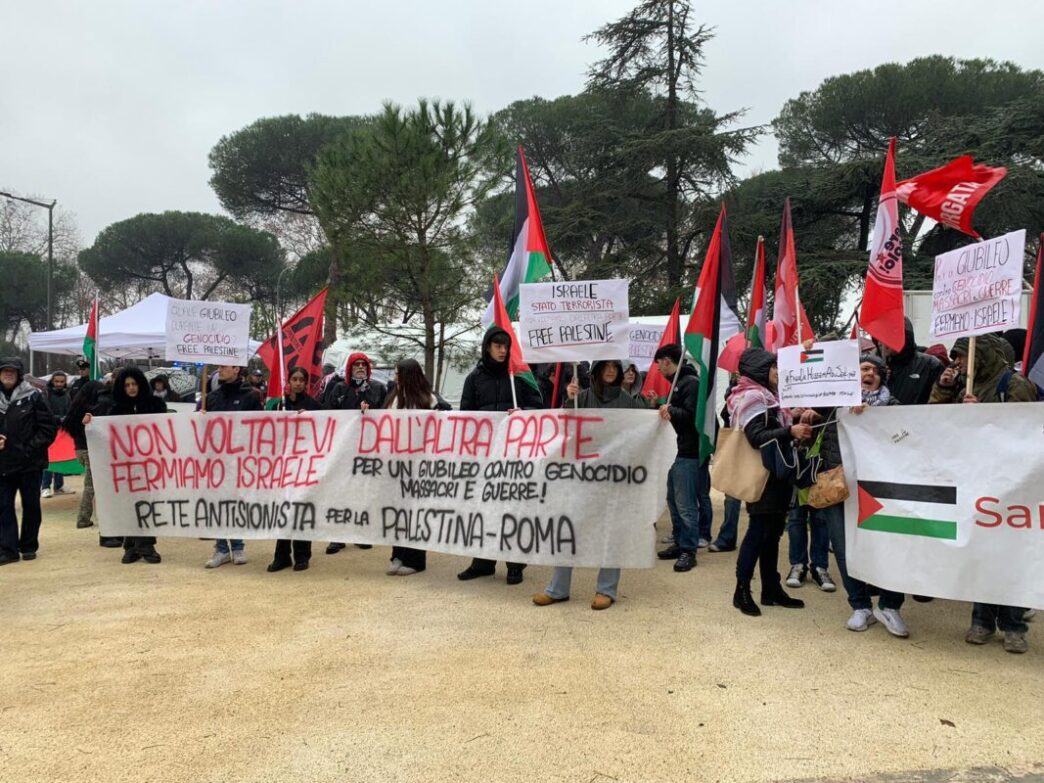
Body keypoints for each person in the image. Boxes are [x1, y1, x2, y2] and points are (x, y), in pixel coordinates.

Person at [930, 333, 1036, 654]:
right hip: (975, 481)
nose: (957, 363)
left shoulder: (1015, 385)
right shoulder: (964, 386)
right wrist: (945, 390)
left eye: (962, 357)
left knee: (1010, 556)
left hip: (1012, 485)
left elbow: (1026, 431)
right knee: (981, 554)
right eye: (956, 357)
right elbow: (935, 422)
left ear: (982, 356)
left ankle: (1014, 625)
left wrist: (983, 412)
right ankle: (982, 620)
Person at [533, 360, 644, 610]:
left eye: (616, 366)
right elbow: (565, 429)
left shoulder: (627, 401)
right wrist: (567, 402)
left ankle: (606, 589)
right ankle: (558, 589)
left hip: (613, 478)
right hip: (581, 478)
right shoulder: (581, 397)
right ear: (597, 369)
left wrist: (660, 415)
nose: (612, 370)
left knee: (611, 533)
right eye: (607, 365)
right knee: (568, 530)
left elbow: (642, 430)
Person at [824, 353, 909, 636]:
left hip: (882, 490)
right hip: (843, 486)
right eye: (862, 368)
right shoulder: (836, 406)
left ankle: (889, 605)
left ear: (881, 376)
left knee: (890, 544)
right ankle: (860, 606)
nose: (868, 373)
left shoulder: (895, 407)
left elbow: (908, 439)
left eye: (873, 369)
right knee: (844, 545)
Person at [727, 348, 811, 616]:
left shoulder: (770, 397)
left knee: (773, 534)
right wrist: (790, 430)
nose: (777, 372)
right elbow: (756, 436)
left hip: (776, 476)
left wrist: (792, 421)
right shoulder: (753, 396)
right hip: (763, 477)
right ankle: (741, 591)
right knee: (758, 533)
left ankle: (770, 589)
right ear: (759, 370)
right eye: (773, 367)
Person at [457, 326, 542, 584]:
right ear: (487, 347)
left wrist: (522, 412)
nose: (503, 350)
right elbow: (465, 415)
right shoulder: (474, 378)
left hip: (514, 454)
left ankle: (515, 563)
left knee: (514, 508)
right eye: (497, 345)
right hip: (485, 455)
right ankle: (483, 562)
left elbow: (539, 407)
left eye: (506, 346)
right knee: (484, 509)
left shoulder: (520, 377)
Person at [84, 367, 167, 564]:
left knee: (146, 503)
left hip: (149, 463)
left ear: (140, 384)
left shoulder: (155, 404)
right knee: (129, 504)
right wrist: (90, 423)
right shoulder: (116, 408)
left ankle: (144, 545)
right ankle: (133, 546)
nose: (131, 388)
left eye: (134, 384)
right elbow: (105, 433)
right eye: (127, 385)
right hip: (125, 465)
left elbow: (166, 428)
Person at [383, 359, 446, 576]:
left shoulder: (427, 399)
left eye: (398, 373)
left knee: (414, 512)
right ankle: (398, 554)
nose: (394, 376)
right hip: (396, 464)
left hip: (418, 465)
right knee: (397, 511)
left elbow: (441, 424)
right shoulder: (393, 396)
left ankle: (415, 559)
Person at [326, 352, 387, 554]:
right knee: (339, 492)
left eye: (364, 364)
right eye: (356, 364)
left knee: (363, 492)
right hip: (343, 449)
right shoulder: (339, 388)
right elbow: (328, 415)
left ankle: (361, 532)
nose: (360, 367)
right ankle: (337, 536)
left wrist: (372, 412)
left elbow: (386, 416)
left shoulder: (378, 388)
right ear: (350, 368)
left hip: (368, 449)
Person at [0, 357, 58, 565]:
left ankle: (28, 545)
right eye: (4, 371)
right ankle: (8, 549)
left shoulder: (34, 396)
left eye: (12, 371)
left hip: (29, 463)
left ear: (18, 374)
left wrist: (29, 449)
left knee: (31, 506)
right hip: (3, 463)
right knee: (3, 506)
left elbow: (49, 428)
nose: (8, 374)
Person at [204, 365, 262, 567]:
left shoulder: (252, 396)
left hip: (240, 459)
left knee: (237, 502)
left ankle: (237, 546)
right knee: (219, 503)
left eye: (224, 366)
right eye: (218, 366)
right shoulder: (211, 398)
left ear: (236, 368)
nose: (220, 370)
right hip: (217, 459)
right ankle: (221, 548)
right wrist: (201, 417)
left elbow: (259, 426)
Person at [651, 344, 701, 573]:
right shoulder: (678, 384)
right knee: (673, 500)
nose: (658, 368)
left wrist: (670, 411)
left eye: (659, 362)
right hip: (674, 452)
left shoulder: (690, 384)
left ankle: (689, 550)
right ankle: (680, 542)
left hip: (686, 452)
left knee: (685, 504)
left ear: (667, 361)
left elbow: (692, 418)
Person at [267, 367, 321, 573]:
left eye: (301, 380)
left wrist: (309, 418)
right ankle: (281, 555)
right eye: (294, 379)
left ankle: (302, 555)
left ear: (306, 383)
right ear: (288, 381)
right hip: (282, 465)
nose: (298, 383)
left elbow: (328, 426)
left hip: (305, 465)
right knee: (282, 509)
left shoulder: (314, 406)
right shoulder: (279, 404)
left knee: (301, 509)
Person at [63, 381, 117, 540]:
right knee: (91, 486)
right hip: (91, 449)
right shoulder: (95, 411)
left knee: (90, 484)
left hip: (79, 449)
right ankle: (83, 517)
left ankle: (84, 517)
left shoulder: (76, 412)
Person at [875, 317, 943, 405]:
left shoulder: (930, 365)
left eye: (887, 336)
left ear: (903, 337)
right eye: (878, 336)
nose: (880, 342)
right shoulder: (870, 367)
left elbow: (941, 401)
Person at [41, 370, 75, 498]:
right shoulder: (46, 394)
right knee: (49, 458)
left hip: (63, 430)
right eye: (57, 381)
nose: (59, 384)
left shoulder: (67, 394)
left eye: (61, 381)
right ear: (52, 381)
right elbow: (46, 411)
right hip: (50, 429)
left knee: (62, 456)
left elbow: (70, 408)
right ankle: (45, 486)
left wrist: (67, 418)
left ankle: (59, 485)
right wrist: (58, 419)